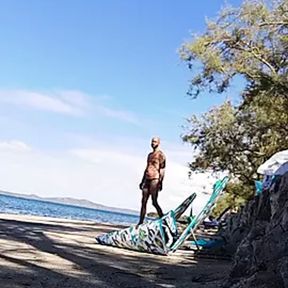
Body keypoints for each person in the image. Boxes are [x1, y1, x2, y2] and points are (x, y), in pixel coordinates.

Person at [137, 137, 166, 226]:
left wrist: (161, 182)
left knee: (154, 201)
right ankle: (140, 222)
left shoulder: (161, 155)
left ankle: (163, 219)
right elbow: (147, 167)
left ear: (159, 143)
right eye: (152, 142)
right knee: (143, 201)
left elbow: (162, 169)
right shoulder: (150, 155)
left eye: (155, 142)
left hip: (155, 179)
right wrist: (142, 181)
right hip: (147, 179)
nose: (153, 143)